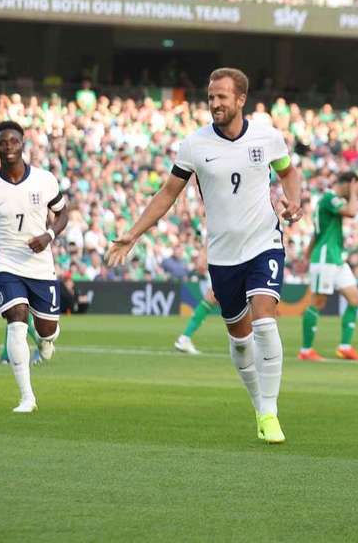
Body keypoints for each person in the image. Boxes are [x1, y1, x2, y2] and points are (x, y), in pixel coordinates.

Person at [106, 67, 302, 445]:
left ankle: (270, 411)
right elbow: (167, 193)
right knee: (240, 339)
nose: (214, 103)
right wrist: (133, 233)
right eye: (211, 97)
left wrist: (294, 200)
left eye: (222, 97)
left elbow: (288, 173)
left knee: (265, 321)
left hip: (264, 243)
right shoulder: (194, 145)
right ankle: (257, 403)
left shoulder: (267, 137)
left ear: (240, 100)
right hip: (223, 256)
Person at [0, 120, 69, 413]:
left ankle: (46, 339)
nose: (8, 146)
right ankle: (27, 397)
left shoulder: (45, 180)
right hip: (7, 263)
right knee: (16, 321)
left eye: (13, 141)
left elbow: (62, 215)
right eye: (3, 142)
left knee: (48, 329)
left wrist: (48, 235)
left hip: (40, 265)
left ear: (23, 144)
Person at [299, 171, 358, 361]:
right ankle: (305, 350)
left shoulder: (328, 201)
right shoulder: (330, 198)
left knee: (354, 299)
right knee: (318, 302)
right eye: (355, 186)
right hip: (325, 257)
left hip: (336, 258)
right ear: (349, 183)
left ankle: (345, 347)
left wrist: (306, 254)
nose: (355, 192)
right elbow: (351, 212)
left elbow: (317, 232)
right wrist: (353, 190)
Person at [174, 251, 219, 355]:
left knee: (213, 298)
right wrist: (203, 255)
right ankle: (184, 338)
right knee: (213, 297)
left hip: (224, 260)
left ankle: (185, 338)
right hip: (225, 262)